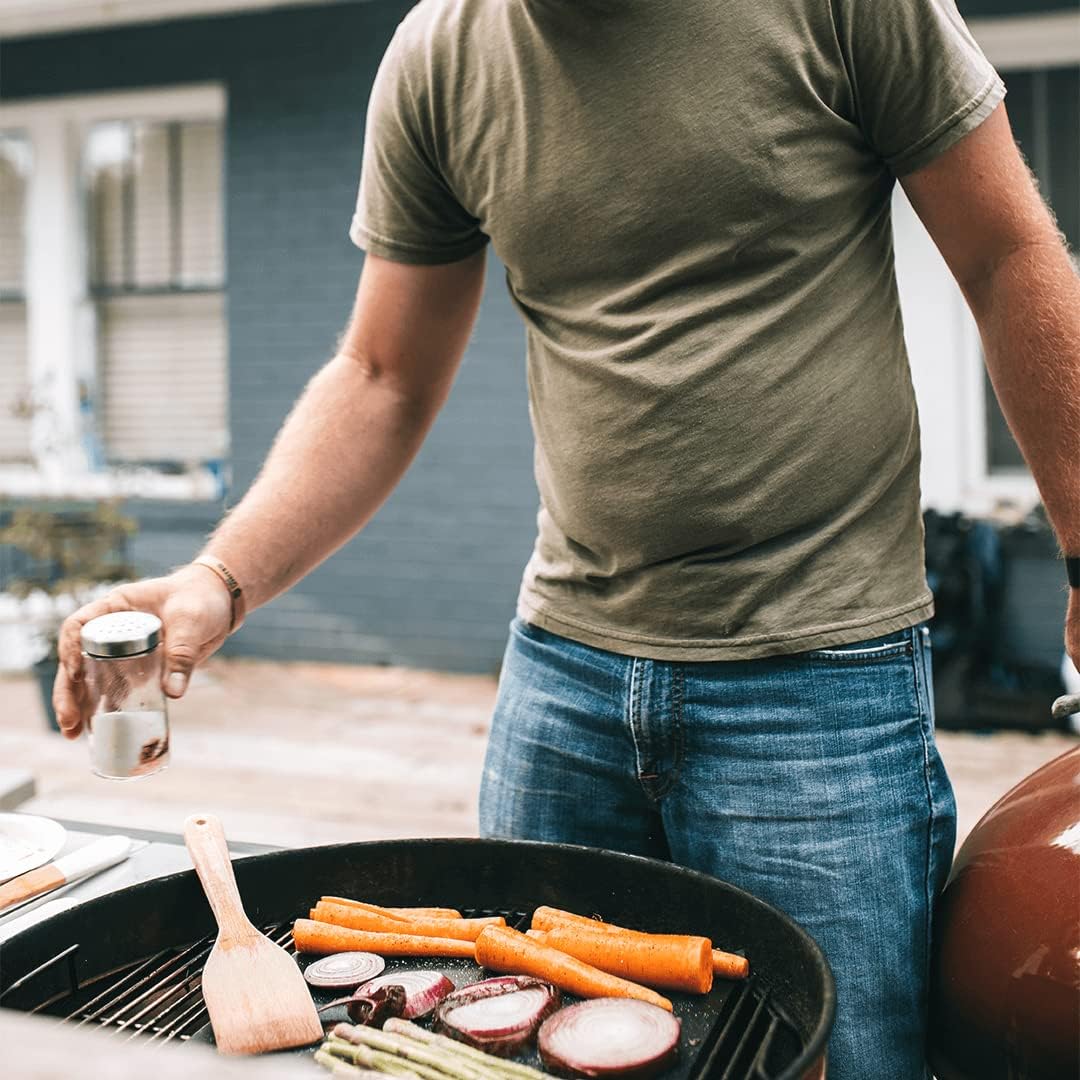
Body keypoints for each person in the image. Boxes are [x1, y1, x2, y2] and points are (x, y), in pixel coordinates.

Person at [53, 0, 1079, 1075]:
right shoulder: (441, 56)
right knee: (520, 1054)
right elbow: (381, 373)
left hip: (817, 684)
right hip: (567, 689)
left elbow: (1008, 254)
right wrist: (224, 577)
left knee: (842, 1059)